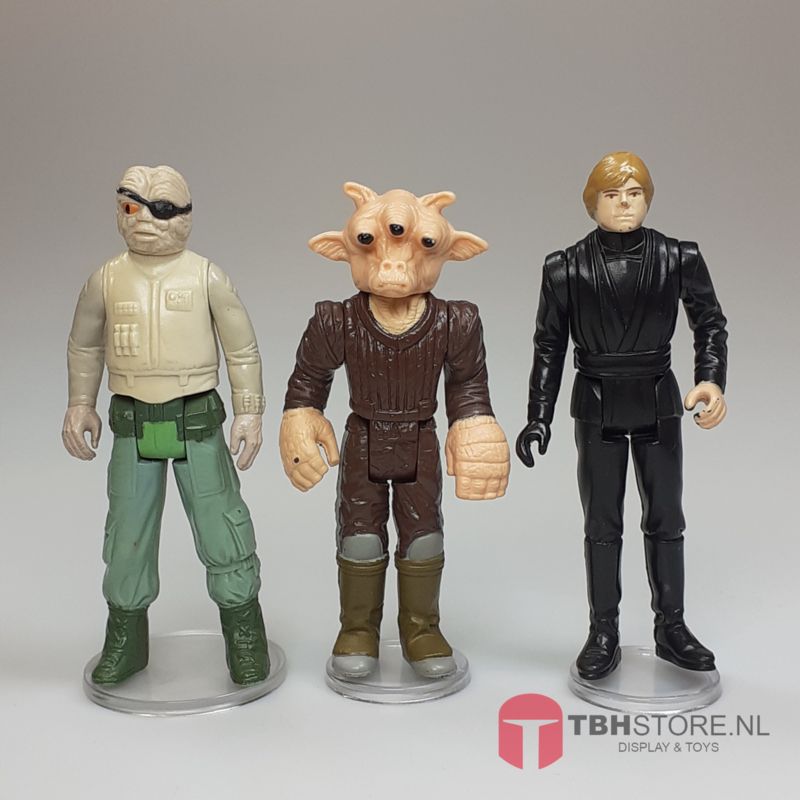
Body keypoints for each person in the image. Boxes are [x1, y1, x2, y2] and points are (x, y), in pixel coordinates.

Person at [517, 152, 728, 680]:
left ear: (648, 198)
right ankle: (603, 630)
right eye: (612, 195)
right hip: (596, 399)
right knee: (601, 524)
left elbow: (710, 322)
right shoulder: (565, 267)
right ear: (593, 204)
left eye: (634, 193)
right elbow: (549, 345)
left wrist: (711, 379)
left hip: (659, 397)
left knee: (667, 519)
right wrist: (539, 414)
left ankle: (671, 627)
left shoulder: (678, 257)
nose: (625, 204)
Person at [63, 165, 269, 686]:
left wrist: (249, 410)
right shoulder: (107, 279)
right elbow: (84, 345)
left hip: (197, 420)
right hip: (132, 423)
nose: (145, 221)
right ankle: (125, 638)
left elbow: (241, 348)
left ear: (185, 216)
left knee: (223, 528)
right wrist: (80, 403)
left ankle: (244, 635)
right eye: (131, 207)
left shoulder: (205, 275)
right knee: (126, 534)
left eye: (161, 210)